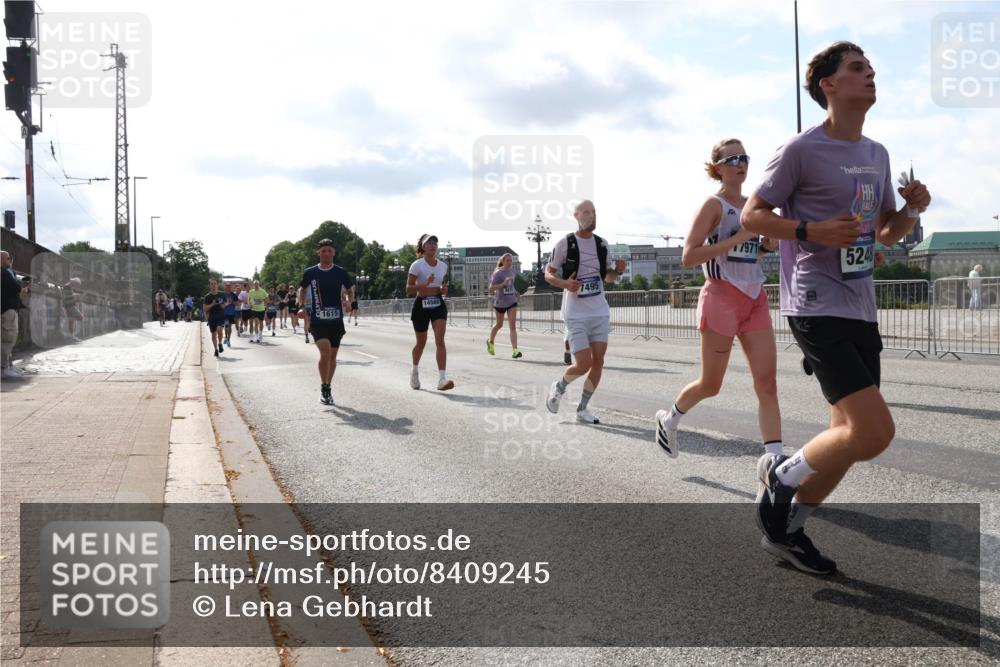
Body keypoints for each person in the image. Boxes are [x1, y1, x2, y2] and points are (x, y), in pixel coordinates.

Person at [742, 42, 932, 574]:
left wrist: (913, 211)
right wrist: (810, 229)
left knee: (845, 438)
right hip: (814, 301)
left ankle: (786, 531)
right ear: (828, 85)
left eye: (871, 67)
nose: (870, 74)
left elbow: (887, 233)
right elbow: (754, 217)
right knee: (872, 433)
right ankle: (780, 477)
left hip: (861, 305)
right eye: (857, 68)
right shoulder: (801, 149)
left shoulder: (877, 153)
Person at [654, 139, 781, 459]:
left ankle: (775, 461)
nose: (741, 164)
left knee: (767, 383)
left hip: (755, 298)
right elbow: (688, 256)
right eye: (733, 159)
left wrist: (766, 244)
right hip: (720, 297)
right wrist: (737, 238)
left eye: (745, 158)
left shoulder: (756, 205)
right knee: (711, 384)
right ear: (717, 168)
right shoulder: (714, 205)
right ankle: (669, 419)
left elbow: (756, 251)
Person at [544, 200, 626, 424]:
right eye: (587, 212)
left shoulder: (602, 245)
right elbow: (548, 273)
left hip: (599, 311)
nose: (592, 216)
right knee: (583, 363)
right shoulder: (565, 243)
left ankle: (582, 409)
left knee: (598, 361)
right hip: (575, 313)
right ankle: (558, 388)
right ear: (576, 215)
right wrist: (564, 283)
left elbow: (606, 277)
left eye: (594, 212)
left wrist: (617, 271)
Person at [298, 239, 354, 405]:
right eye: (323, 251)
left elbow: (350, 290)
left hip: (336, 321)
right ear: (318, 253)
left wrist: (349, 301)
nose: (327, 253)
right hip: (317, 320)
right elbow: (302, 289)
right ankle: (324, 388)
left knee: (333, 357)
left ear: (334, 253)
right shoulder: (310, 272)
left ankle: (328, 386)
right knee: (326, 353)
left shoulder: (340, 272)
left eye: (330, 250)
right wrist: (301, 307)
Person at [407, 234, 454, 391]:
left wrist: (443, 290)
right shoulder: (417, 265)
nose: (433, 245)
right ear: (423, 246)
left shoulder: (442, 266)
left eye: (435, 242)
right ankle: (414, 371)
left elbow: (441, 287)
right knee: (421, 343)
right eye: (429, 243)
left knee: (440, 340)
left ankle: (442, 379)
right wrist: (424, 285)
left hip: (437, 304)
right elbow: (408, 289)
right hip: (421, 305)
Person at [487, 252, 522, 358]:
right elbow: (491, 288)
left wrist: (515, 291)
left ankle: (515, 350)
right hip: (500, 302)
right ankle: (491, 342)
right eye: (507, 260)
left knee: (512, 326)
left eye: (511, 260)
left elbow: (512, 285)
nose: (510, 262)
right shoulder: (498, 273)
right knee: (499, 324)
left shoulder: (512, 272)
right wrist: (502, 284)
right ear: (503, 261)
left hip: (512, 300)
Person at [1, 251, 26, 379]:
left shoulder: (8, 272)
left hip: (9, 309)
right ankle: (4, 368)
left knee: (9, 339)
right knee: (7, 338)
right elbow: (15, 286)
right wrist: (21, 287)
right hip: (7, 311)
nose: (11, 261)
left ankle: (8, 366)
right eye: (9, 258)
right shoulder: (4, 272)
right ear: (2, 259)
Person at [203, 279, 227, 357]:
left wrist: (223, 305)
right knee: (213, 334)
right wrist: (212, 304)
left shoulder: (222, 294)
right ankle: (216, 349)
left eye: (215, 284)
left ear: (217, 285)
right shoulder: (207, 296)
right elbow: (205, 308)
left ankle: (220, 343)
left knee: (219, 330)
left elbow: (225, 304)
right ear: (209, 286)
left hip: (221, 316)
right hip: (212, 317)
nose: (213, 285)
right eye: (212, 284)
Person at [62, 277, 84, 342]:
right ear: (74, 282)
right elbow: (65, 297)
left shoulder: (69, 287)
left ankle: (72, 337)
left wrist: (74, 296)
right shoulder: (66, 287)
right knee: (81, 317)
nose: (76, 286)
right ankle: (72, 337)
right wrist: (74, 295)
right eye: (76, 284)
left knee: (71, 322)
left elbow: (68, 296)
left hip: (70, 306)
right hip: (70, 306)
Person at [222, 282, 238, 346]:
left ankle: (228, 338)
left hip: (231, 313)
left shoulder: (233, 295)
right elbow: (220, 303)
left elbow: (237, 303)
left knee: (229, 326)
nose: (228, 288)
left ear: (231, 287)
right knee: (226, 326)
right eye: (227, 286)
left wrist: (232, 302)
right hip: (224, 313)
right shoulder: (222, 294)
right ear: (225, 287)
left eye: (229, 287)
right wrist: (226, 303)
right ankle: (226, 337)